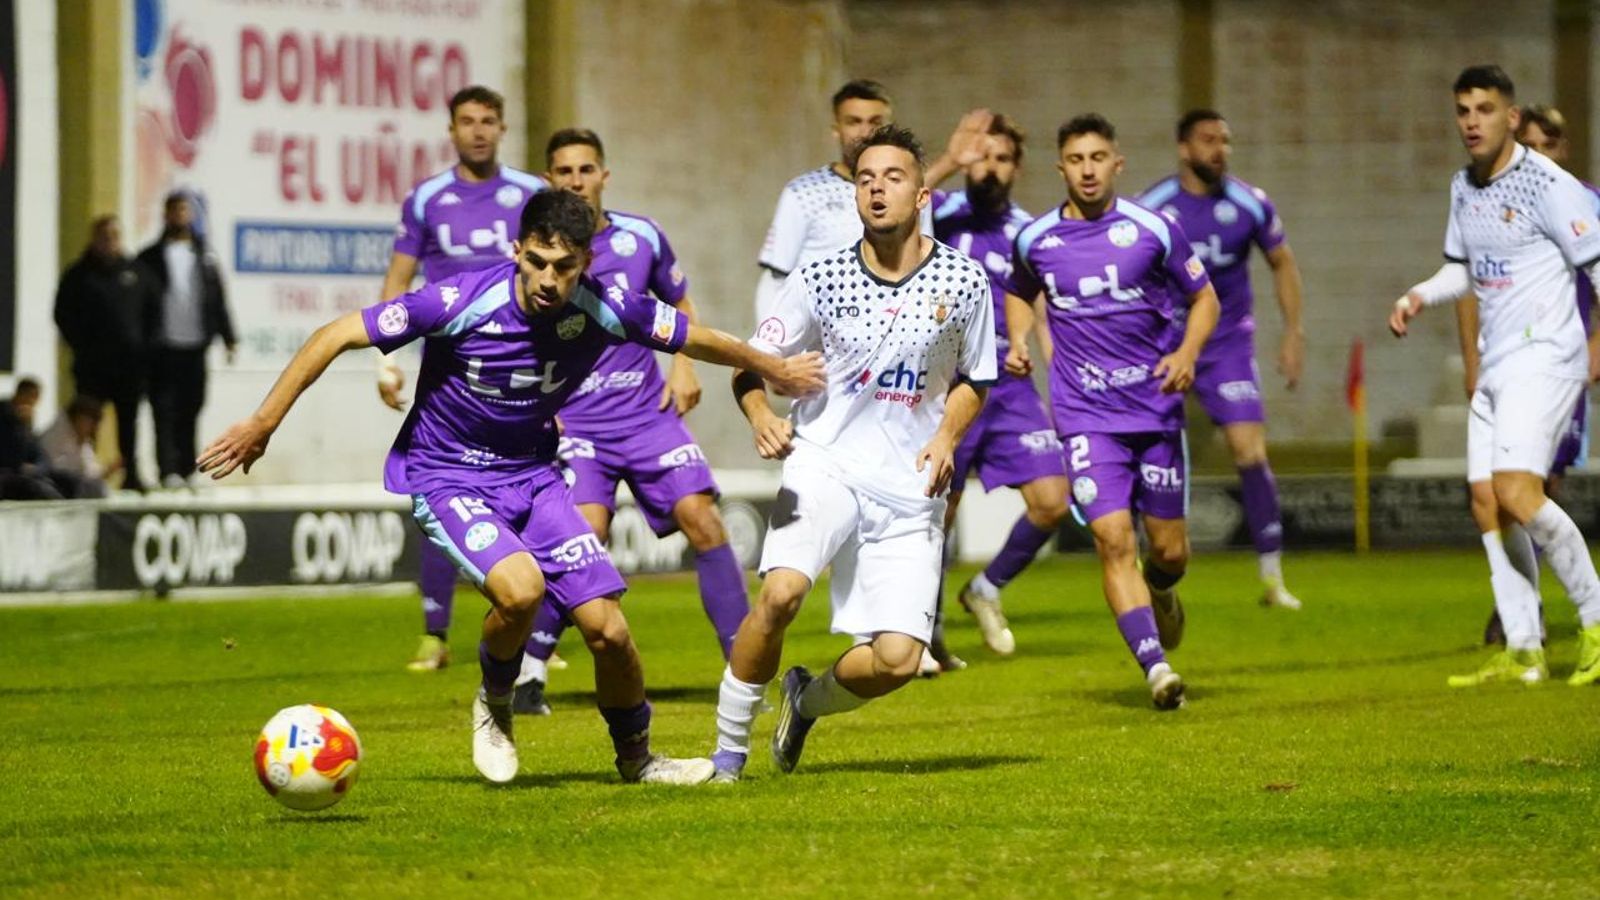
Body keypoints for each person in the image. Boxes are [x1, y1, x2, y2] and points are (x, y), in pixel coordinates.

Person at [198, 190, 825, 786]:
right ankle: (495, 700)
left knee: (609, 630)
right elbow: (336, 334)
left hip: (532, 476)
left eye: (565, 267)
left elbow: (698, 337)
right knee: (521, 593)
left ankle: (639, 760)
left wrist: (772, 368)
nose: (550, 280)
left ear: (586, 264)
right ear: (516, 248)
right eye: (538, 262)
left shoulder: (605, 306)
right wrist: (263, 423)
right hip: (447, 474)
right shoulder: (459, 299)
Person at [710, 125, 996, 782]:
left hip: (910, 487)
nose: (876, 188)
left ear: (922, 194)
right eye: (866, 178)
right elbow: (750, 365)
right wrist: (760, 414)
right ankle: (725, 757)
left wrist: (947, 435)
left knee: (897, 660)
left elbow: (978, 378)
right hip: (821, 465)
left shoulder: (964, 280)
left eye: (892, 177)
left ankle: (804, 701)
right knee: (780, 594)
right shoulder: (821, 277)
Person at [510, 129, 748, 715]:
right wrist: (543, 408)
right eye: (563, 170)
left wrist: (684, 367)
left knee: (706, 523)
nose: (575, 180)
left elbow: (681, 309)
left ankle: (747, 672)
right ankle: (529, 675)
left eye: (586, 169)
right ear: (549, 180)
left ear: (604, 176)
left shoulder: (642, 236)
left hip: (647, 416)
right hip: (579, 424)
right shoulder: (538, 256)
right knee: (584, 537)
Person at [1388, 65, 1600, 687]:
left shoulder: (1550, 185)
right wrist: (1419, 295)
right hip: (1498, 359)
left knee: (1516, 491)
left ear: (1511, 117)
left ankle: (1594, 619)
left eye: (1484, 109)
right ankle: (1525, 648)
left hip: (1547, 356)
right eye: (1463, 110)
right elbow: (1466, 272)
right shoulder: (1464, 186)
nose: (1472, 121)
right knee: (1487, 502)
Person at [1004, 114, 1220, 711]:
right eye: (1076, 159)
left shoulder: (1155, 228)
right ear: (1061, 167)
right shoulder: (1037, 239)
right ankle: (1156, 669)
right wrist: (1019, 341)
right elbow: (1019, 292)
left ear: (1117, 163)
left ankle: (1163, 590)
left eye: (1098, 157)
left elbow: (1205, 297)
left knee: (1169, 551)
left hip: (1153, 410)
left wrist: (1187, 351)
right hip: (1084, 413)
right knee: (1111, 538)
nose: (1088, 169)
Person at [376, 84, 551, 674]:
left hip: (525, 364)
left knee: (535, 486)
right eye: (468, 121)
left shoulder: (532, 194)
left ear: (503, 129)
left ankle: (533, 631)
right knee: (442, 486)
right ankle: (434, 633)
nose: (479, 131)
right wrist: (386, 360)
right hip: (449, 369)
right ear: (451, 130)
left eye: (489, 121)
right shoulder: (426, 198)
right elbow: (399, 278)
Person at [1137, 111, 1305, 610]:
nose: (1220, 150)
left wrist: (1294, 332)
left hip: (1228, 345)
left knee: (1250, 452)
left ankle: (1273, 576)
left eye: (1225, 141)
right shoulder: (1155, 208)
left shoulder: (1250, 204)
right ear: (1184, 148)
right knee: (1149, 452)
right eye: (1208, 141)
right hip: (1169, 344)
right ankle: (1152, 565)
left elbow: (1282, 262)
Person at [927, 112, 1069, 662]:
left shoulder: (1029, 232)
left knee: (1053, 502)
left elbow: (1040, 305)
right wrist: (947, 160)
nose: (989, 167)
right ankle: (928, 636)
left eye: (1002, 158)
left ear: (1017, 168)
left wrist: (1033, 348)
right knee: (940, 516)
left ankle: (985, 588)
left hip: (1010, 389)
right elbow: (885, 220)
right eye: (982, 155)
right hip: (948, 388)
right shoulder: (937, 215)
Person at [1475, 103, 1600, 646]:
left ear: (1563, 150)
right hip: (1505, 364)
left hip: (1556, 364)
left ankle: (1535, 614)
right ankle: (1524, 612)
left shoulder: (1584, 203)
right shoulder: (1491, 202)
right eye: (1533, 146)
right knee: (1498, 494)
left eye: (1551, 146)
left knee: (1531, 487)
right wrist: (1472, 353)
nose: (1541, 157)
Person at [753, 81, 955, 321]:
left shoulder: (910, 195)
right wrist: (767, 353)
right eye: (854, 122)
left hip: (889, 338)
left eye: (875, 122)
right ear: (836, 129)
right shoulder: (803, 193)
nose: (865, 132)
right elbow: (775, 280)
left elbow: (924, 267)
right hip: (819, 347)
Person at [137, 191, 236, 490]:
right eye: (174, 210)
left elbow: (217, 299)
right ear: (165, 215)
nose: (180, 215)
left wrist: (228, 337)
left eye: (185, 210)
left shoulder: (205, 256)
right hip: (163, 346)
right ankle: (167, 470)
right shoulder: (149, 258)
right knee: (163, 409)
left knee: (191, 407)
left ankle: (188, 467)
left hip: (195, 345)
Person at [54, 215, 158, 492]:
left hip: (129, 367)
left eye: (114, 236)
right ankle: (85, 474)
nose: (109, 241)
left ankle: (131, 473)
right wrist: (81, 345)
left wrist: (143, 350)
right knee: (87, 422)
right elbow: (62, 315)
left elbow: (153, 313)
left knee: (129, 423)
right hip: (92, 366)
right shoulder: (78, 275)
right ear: (94, 239)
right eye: (103, 236)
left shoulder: (137, 273)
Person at [38, 395, 111, 498]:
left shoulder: (81, 440)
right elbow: (52, 467)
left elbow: (89, 470)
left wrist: (106, 472)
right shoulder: (56, 435)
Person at [0, 378, 59, 500]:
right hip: (6, 475)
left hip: (20, 474)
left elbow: (38, 452)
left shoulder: (24, 422)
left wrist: (37, 468)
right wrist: (19, 422)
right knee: (38, 490)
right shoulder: (5, 415)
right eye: (29, 397)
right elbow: (12, 456)